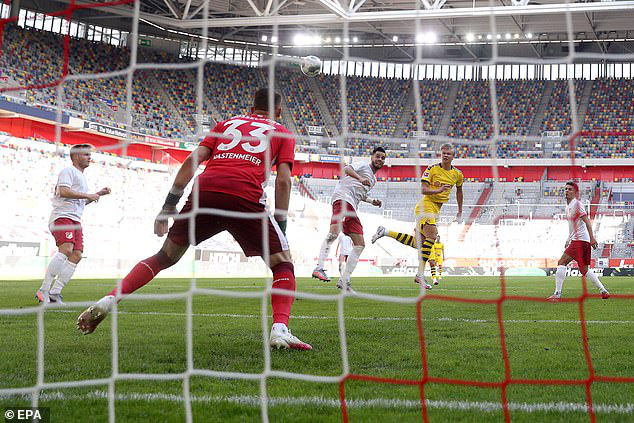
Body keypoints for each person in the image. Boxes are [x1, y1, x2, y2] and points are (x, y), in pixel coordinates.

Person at [77, 88, 312, 351]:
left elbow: (193, 160)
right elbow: (283, 180)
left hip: (205, 190)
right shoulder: (282, 132)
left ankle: (110, 299)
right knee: (282, 265)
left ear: (251, 107)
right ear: (279, 112)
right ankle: (280, 329)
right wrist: (281, 225)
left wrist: (169, 205)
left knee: (165, 256)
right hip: (245, 193)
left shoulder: (226, 124)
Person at [371, 143, 462, 287]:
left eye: (448, 153)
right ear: (441, 154)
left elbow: (459, 191)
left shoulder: (457, 174)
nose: (445, 155)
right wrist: (438, 191)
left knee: (418, 243)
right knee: (433, 236)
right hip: (426, 205)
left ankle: (386, 232)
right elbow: (423, 189)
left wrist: (460, 210)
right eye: (443, 153)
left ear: (453, 156)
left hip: (436, 209)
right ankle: (420, 274)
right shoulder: (432, 169)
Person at [36, 144, 111, 303]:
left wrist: (98, 194)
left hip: (75, 220)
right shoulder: (68, 171)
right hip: (62, 216)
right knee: (66, 249)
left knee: (76, 255)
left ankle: (55, 292)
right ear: (76, 156)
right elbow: (63, 191)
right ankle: (44, 289)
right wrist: (88, 195)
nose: (89, 157)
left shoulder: (82, 177)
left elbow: (81, 203)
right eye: (86, 155)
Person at [312, 147, 386, 291]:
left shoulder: (374, 180)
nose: (380, 160)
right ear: (372, 157)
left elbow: (360, 193)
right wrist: (360, 178)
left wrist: (372, 201)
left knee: (360, 244)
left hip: (351, 205)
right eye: (378, 156)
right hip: (342, 198)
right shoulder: (363, 166)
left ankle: (344, 280)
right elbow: (347, 169)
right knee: (333, 233)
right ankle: (319, 267)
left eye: (383, 158)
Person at [547, 181, 609, 301]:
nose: (567, 191)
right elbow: (573, 226)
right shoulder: (568, 206)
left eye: (570, 189)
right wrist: (568, 238)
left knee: (561, 262)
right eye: (565, 189)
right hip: (580, 240)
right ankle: (603, 291)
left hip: (580, 240)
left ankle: (557, 294)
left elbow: (587, 222)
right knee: (584, 270)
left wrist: (592, 238)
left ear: (575, 193)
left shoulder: (577, 204)